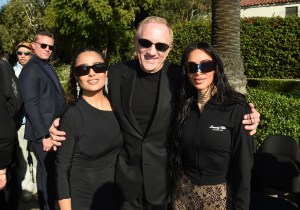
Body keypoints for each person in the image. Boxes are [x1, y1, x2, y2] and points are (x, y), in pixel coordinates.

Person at [50, 16, 260, 210]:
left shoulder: (180, 76)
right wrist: (60, 122)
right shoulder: (115, 74)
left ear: (169, 49)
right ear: (135, 42)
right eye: (145, 43)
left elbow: (211, 96)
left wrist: (248, 114)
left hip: (165, 184)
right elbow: (91, 98)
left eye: (160, 46)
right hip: (124, 184)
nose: (152, 51)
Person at [167, 41, 254, 210]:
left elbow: (243, 165)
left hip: (219, 198)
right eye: (192, 67)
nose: (198, 73)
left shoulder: (235, 108)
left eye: (205, 66)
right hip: (182, 196)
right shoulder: (182, 106)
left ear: (216, 68)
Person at [55, 47, 123, 210]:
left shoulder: (118, 105)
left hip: (116, 197)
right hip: (85, 201)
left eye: (98, 67)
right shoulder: (73, 116)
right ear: (76, 76)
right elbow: (61, 171)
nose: (91, 73)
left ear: (105, 71)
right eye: (83, 69)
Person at [19, 31, 65, 210]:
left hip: (51, 130)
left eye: (51, 47)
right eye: (44, 45)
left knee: (46, 171)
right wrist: (44, 135)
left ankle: (48, 205)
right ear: (33, 45)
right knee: (47, 173)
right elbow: (31, 105)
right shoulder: (31, 69)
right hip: (44, 133)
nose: (47, 49)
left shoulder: (45, 65)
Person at [13, 41, 38, 202]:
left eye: (26, 53)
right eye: (20, 53)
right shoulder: (11, 72)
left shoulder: (38, 70)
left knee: (36, 155)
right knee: (22, 155)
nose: (23, 56)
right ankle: (27, 187)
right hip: (19, 122)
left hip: (35, 121)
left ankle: (39, 185)